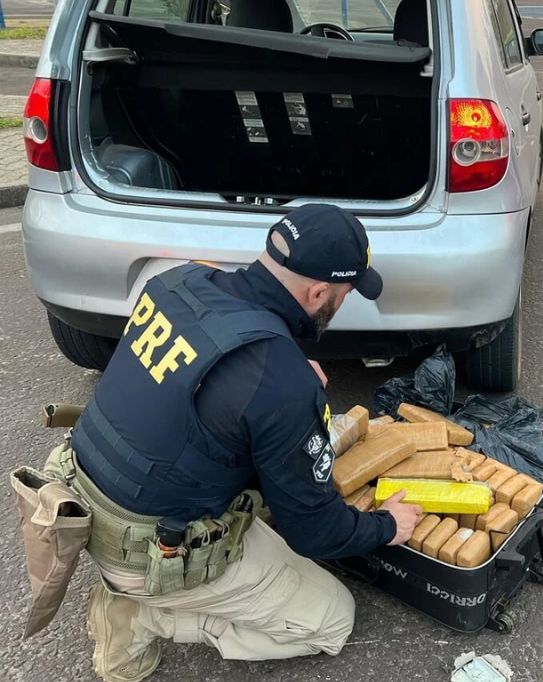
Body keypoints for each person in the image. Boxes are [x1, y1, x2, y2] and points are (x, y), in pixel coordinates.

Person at [58, 204, 423, 681]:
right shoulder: (277, 382)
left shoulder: (178, 281)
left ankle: (135, 587)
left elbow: (200, 387)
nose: (343, 303)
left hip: (80, 491)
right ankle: (142, 612)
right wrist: (385, 526)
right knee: (332, 619)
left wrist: (282, 382)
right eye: (345, 293)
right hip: (147, 548)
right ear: (318, 292)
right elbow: (315, 533)